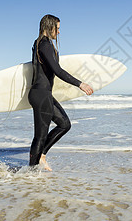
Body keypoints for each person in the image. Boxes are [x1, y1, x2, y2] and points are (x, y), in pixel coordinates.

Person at [28, 14, 93, 171]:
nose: (59, 32)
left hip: (43, 95)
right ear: (49, 27)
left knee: (64, 124)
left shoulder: (41, 44)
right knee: (40, 136)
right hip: (40, 95)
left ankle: (42, 156)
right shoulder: (44, 45)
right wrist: (80, 84)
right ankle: (30, 173)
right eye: (57, 28)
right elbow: (57, 70)